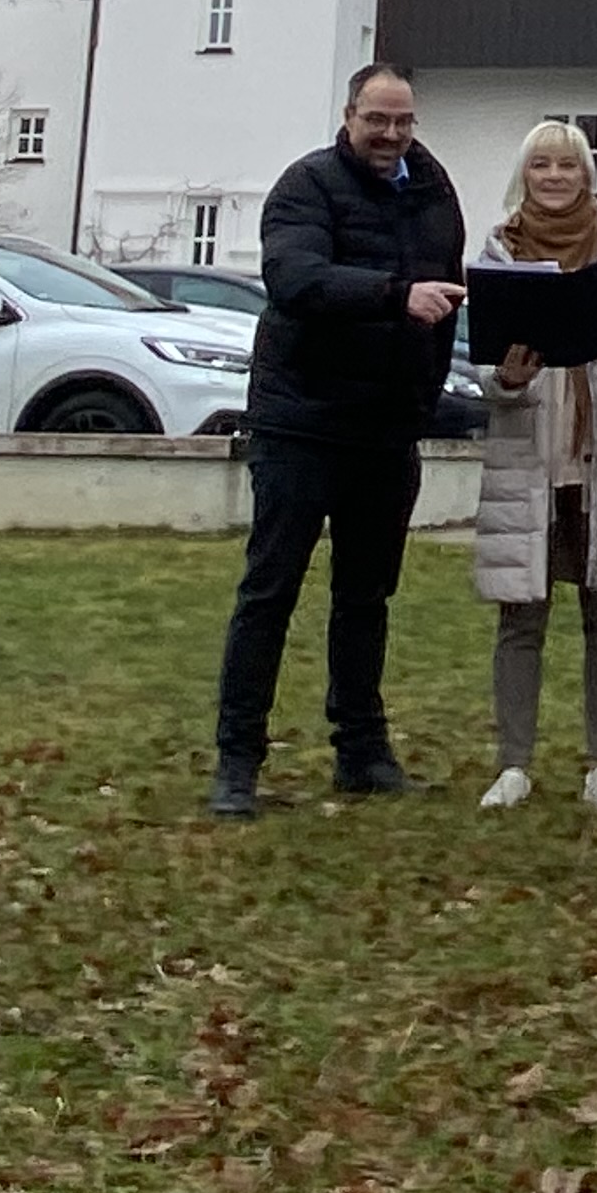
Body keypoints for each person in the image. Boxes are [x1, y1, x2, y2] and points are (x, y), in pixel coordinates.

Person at [209, 61, 465, 816]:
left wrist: (426, 390)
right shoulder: (306, 187)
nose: (390, 135)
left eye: (403, 121)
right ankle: (237, 763)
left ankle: (361, 751)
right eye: (376, 120)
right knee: (270, 592)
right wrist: (393, 296)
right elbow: (296, 279)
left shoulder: (432, 189)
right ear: (348, 116)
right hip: (302, 421)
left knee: (367, 598)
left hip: (386, 429)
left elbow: (446, 291)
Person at [468, 121, 597, 811]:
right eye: (541, 166)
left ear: (587, 174)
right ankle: (514, 764)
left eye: (568, 165)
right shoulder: (498, 249)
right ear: (524, 175)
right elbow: (483, 372)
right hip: (528, 457)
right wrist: (508, 376)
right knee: (521, 616)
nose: (555, 177)